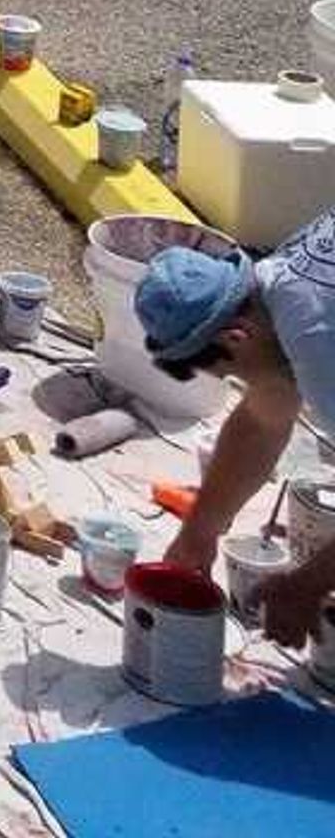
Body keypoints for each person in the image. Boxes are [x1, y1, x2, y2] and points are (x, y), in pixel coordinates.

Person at [137, 213, 334, 647]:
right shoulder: (278, 285)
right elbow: (263, 417)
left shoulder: (321, 351)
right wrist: (197, 535)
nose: (237, 383)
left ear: (237, 336)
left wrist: (307, 584)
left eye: (228, 371)